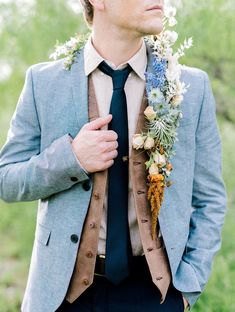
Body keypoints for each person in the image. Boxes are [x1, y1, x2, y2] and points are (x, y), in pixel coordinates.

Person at [0, 0, 227, 311]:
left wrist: (189, 285)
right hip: (62, 296)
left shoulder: (192, 87)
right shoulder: (44, 83)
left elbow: (210, 198)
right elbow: (6, 179)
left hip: (156, 294)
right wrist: (71, 159)